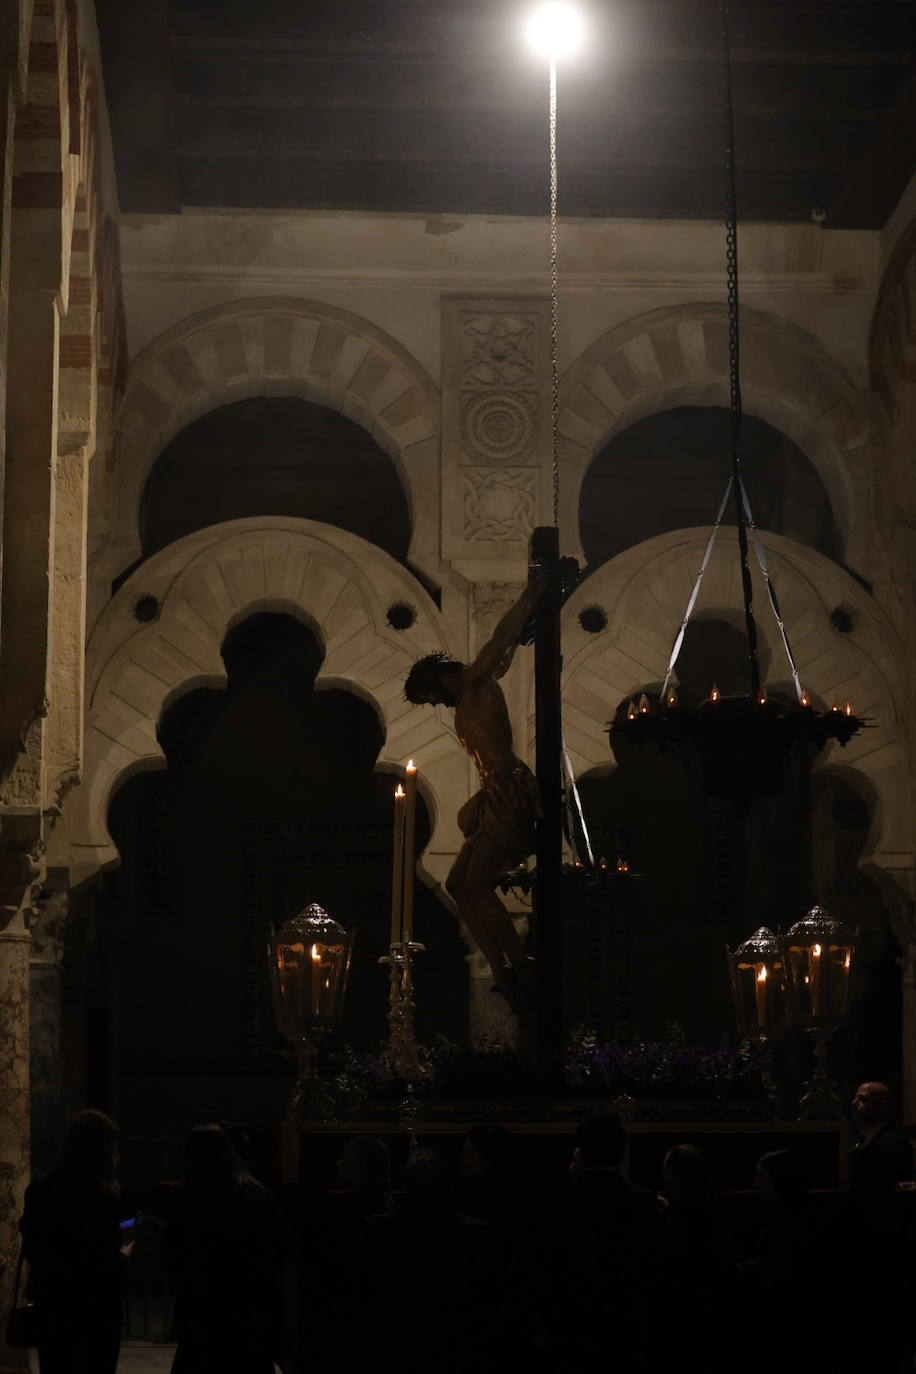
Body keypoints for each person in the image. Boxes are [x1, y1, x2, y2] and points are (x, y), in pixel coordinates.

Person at [403, 565, 548, 1008]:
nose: (436, 704)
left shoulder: (476, 682)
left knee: (479, 883)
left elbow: (501, 639)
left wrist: (531, 593)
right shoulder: (463, 698)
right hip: (490, 797)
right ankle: (501, 967)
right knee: (457, 885)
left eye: (430, 696)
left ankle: (521, 963)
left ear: (435, 680)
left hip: (510, 790)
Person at [165, 1123, 286, 1374]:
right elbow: (275, 1251)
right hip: (247, 1314)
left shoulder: (191, 1199)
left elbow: (174, 1256)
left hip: (202, 1314)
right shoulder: (255, 1194)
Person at [20, 1109, 126, 1374]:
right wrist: (125, 1254)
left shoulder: (41, 1190)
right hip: (96, 1310)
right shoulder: (103, 1198)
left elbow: (32, 1244)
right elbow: (105, 1258)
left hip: (54, 1305)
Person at [849, 1081, 913, 1193]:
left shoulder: (892, 1143)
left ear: (882, 1106)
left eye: (862, 1099)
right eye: (855, 1098)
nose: (854, 1103)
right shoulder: (862, 1138)